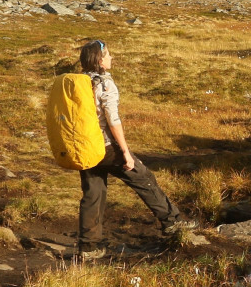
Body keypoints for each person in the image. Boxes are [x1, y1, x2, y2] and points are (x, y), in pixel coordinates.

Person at [75, 40, 192, 260]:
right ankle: (173, 224)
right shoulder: (105, 84)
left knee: (93, 193)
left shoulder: (78, 82)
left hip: (85, 148)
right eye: (108, 55)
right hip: (106, 147)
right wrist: (126, 153)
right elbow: (113, 121)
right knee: (143, 177)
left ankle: (89, 247)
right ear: (99, 60)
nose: (112, 58)